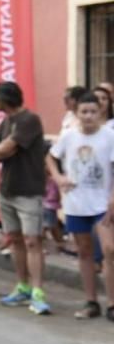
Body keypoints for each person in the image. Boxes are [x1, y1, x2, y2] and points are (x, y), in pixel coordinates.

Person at [47, 93, 114, 321]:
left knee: (109, 250)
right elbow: (49, 156)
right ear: (76, 114)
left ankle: (112, 303)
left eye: (93, 112)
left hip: (103, 204)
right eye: (84, 112)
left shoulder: (109, 136)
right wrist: (58, 177)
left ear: (100, 113)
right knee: (84, 252)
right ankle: (91, 301)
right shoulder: (68, 136)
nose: (88, 116)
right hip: (76, 203)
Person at [0, 81, 49, 315]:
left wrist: (0, 150)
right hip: (7, 190)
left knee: (33, 241)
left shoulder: (29, 120)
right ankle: (22, 285)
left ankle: (38, 291)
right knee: (15, 239)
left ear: (5, 99)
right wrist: (0, 150)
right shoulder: (6, 122)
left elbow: (2, 150)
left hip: (29, 190)